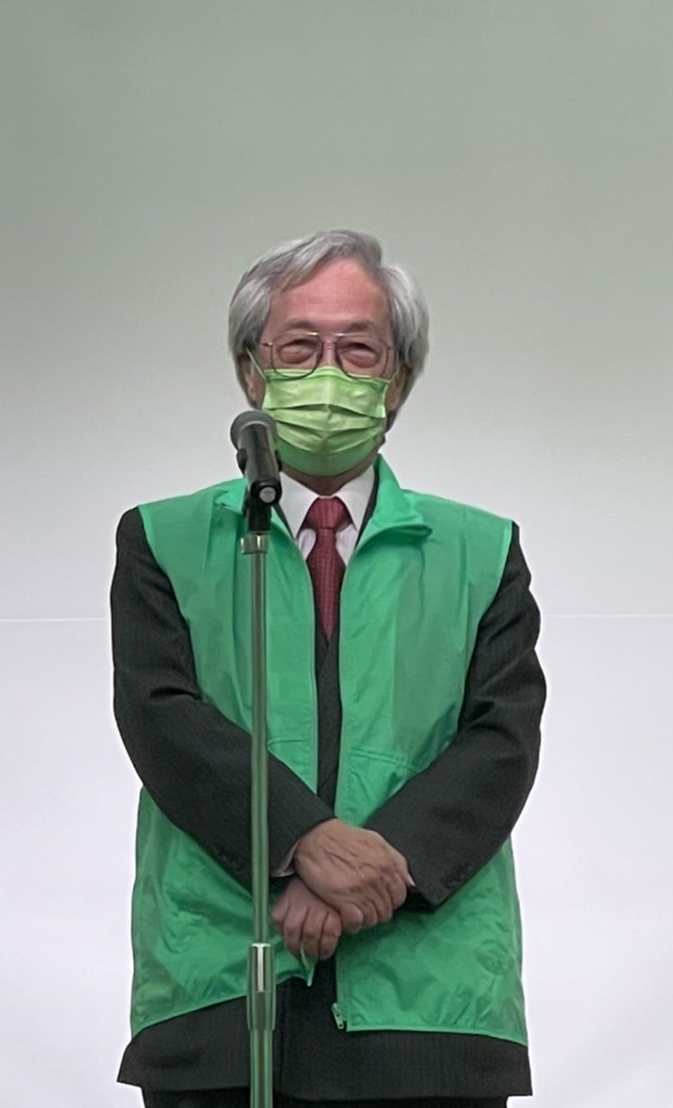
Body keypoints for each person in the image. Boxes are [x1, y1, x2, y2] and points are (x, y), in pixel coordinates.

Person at [110, 230, 545, 1108]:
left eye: (358, 349)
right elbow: (163, 717)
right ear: (251, 372)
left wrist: (366, 877)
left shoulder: (480, 549)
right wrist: (300, 842)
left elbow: (500, 741)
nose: (328, 372)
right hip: (222, 986)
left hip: (431, 1003)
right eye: (300, 346)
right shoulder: (164, 539)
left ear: (399, 380)